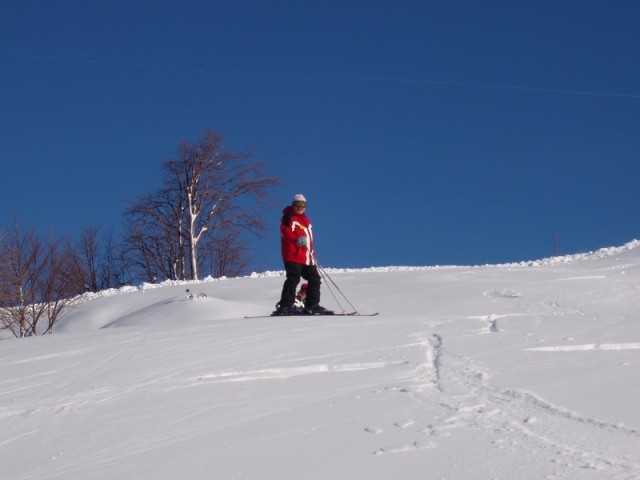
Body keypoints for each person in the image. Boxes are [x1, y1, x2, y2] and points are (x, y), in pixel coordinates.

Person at [274, 194, 331, 315]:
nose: (300, 207)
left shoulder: (305, 219)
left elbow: (309, 239)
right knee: (293, 278)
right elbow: (285, 232)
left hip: (306, 257)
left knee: (314, 278)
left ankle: (312, 305)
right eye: (297, 205)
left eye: (303, 205)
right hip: (293, 255)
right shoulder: (288, 217)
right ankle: (285, 306)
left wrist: (311, 253)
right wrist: (296, 239)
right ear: (293, 205)